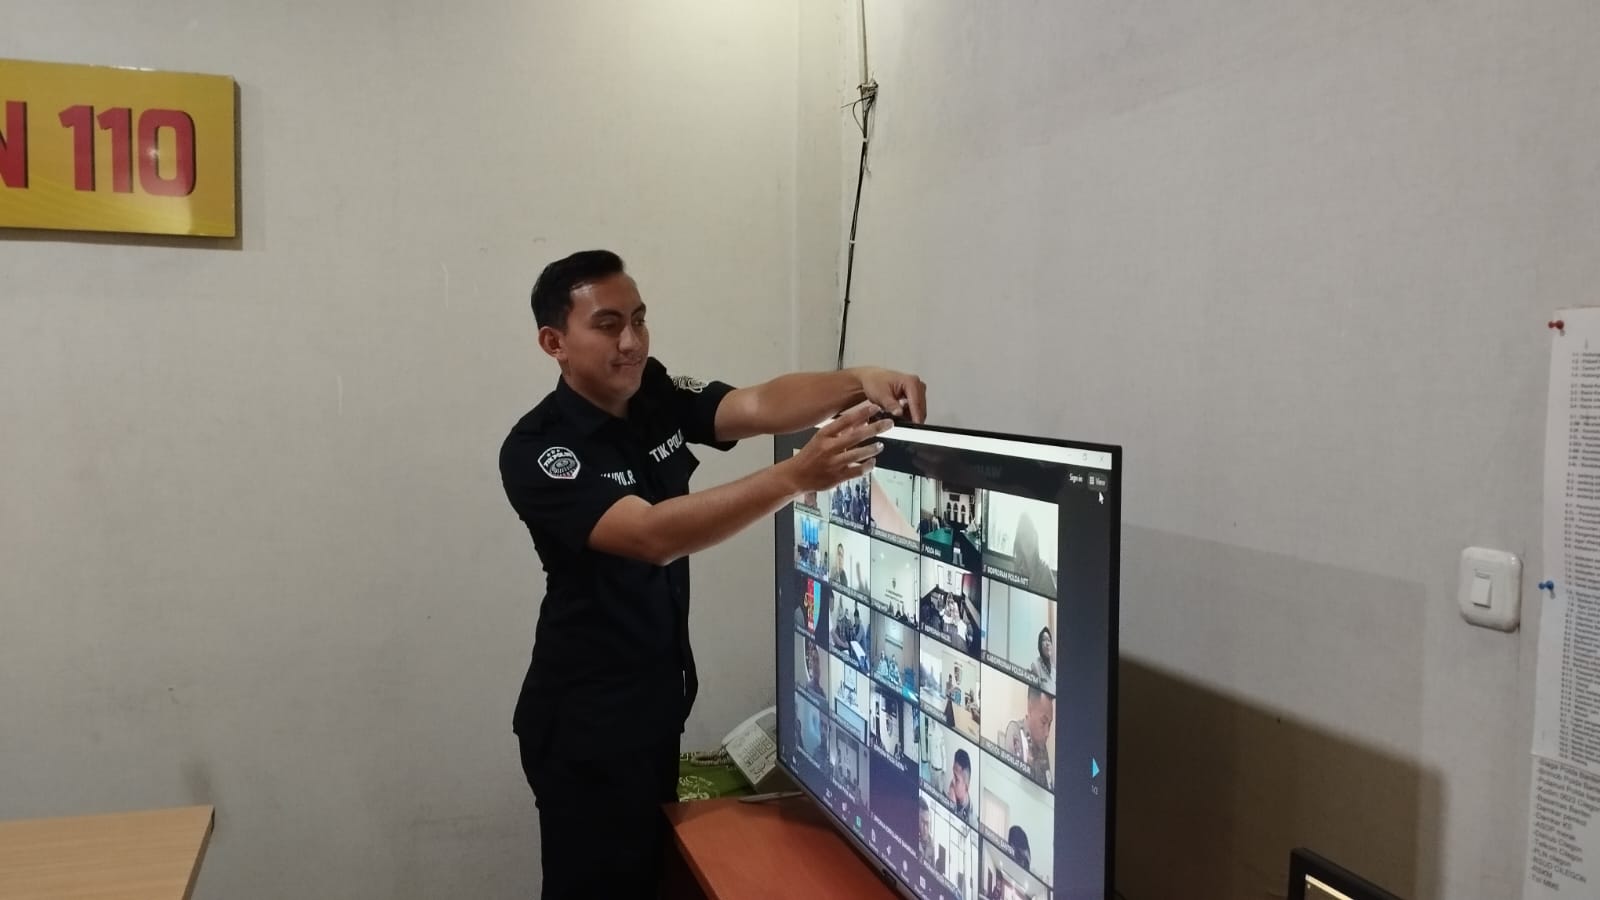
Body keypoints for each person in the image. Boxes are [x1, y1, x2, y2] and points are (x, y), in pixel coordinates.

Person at [499, 250, 928, 898]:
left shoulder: (652, 393)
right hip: (586, 726)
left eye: (639, 320)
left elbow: (754, 404)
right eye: (608, 325)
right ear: (553, 342)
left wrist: (858, 380)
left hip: (654, 706)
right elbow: (650, 536)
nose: (631, 342)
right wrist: (795, 477)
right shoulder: (539, 450)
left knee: (651, 878)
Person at [1001, 685, 1054, 789]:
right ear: (1030, 709)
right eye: (1043, 722)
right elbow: (1012, 786)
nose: (1047, 733)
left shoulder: (1042, 746)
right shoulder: (1015, 731)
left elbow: (1048, 785)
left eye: (1050, 724)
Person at [947, 748, 973, 820]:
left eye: (957, 779)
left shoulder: (972, 820)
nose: (952, 781)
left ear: (966, 786)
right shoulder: (950, 794)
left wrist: (952, 807)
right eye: (953, 775)